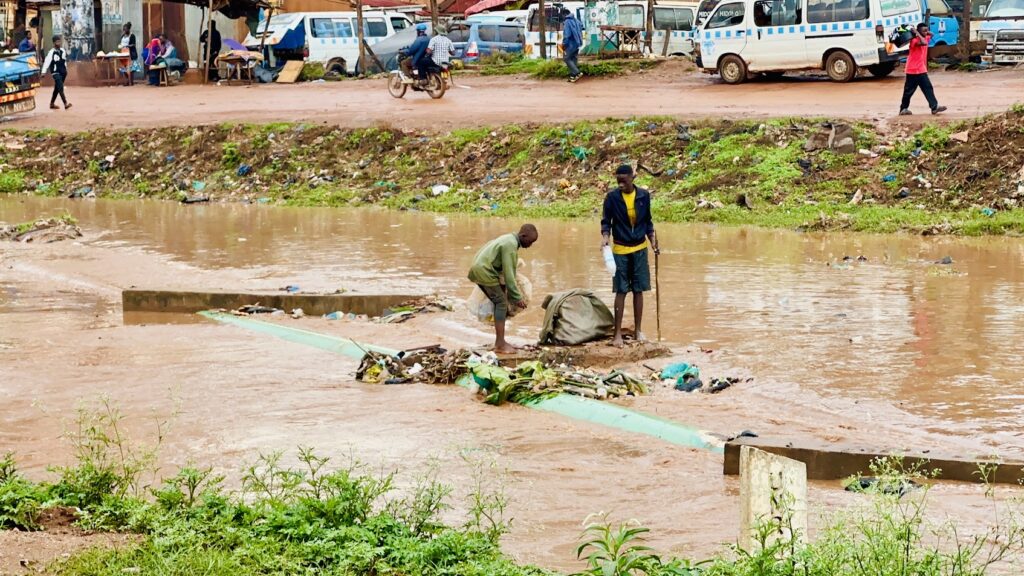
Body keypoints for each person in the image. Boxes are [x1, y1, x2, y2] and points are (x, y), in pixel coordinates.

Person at [601, 165, 658, 348]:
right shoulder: (612, 198)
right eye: (618, 181)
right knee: (621, 290)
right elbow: (606, 222)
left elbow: (648, 221)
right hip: (621, 249)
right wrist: (605, 238)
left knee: (639, 289)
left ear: (632, 178)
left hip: (640, 248)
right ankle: (617, 334)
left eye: (624, 181)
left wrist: (653, 240)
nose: (620, 185)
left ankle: (638, 331)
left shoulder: (643, 196)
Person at [468, 224, 539, 353]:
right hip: (485, 271)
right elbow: (509, 273)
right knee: (501, 303)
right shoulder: (510, 245)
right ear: (523, 236)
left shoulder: (508, 238)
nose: (530, 245)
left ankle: (500, 341)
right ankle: (500, 344)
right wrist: (517, 297)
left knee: (501, 301)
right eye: (530, 242)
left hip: (480, 268)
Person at [899, 23, 946, 116]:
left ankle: (934, 107)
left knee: (928, 88)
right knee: (908, 91)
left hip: (921, 69)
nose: (926, 32)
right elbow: (923, 42)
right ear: (918, 32)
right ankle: (903, 109)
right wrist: (916, 33)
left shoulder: (925, 37)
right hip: (912, 70)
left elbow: (931, 34)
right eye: (924, 30)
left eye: (926, 30)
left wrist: (924, 31)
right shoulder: (914, 41)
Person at [41, 35, 71, 110]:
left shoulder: (62, 51)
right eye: (57, 42)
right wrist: (43, 72)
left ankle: (52, 103)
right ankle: (65, 103)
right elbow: (47, 62)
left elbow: (64, 62)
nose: (59, 43)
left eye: (59, 41)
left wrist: (65, 70)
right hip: (55, 72)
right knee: (60, 87)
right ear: (54, 43)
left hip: (63, 72)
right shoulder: (51, 52)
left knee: (57, 88)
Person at [562, 9, 583, 83]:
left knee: (566, 58)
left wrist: (564, 44)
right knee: (573, 58)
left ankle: (577, 72)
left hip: (570, 43)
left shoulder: (567, 21)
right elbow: (581, 27)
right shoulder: (576, 20)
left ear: (565, 14)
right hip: (577, 43)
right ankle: (573, 76)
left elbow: (567, 35)